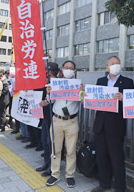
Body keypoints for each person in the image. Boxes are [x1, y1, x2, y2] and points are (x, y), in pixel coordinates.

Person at [90, 56, 134, 192]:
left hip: (116, 126)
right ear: (107, 67)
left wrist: (123, 98)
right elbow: (95, 99)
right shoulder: (101, 81)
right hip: (100, 125)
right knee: (101, 156)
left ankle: (120, 186)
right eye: (112, 64)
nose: (115, 65)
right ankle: (104, 184)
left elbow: (132, 102)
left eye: (118, 63)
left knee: (117, 157)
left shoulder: (127, 82)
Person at [46, 60, 81, 188]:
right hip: (57, 120)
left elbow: (84, 100)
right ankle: (55, 174)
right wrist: (48, 93)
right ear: (62, 69)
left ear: (75, 71)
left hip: (72, 121)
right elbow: (50, 101)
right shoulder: (55, 84)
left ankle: (70, 175)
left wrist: (82, 92)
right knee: (56, 149)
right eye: (66, 67)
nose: (69, 70)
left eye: (71, 68)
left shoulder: (78, 85)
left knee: (71, 150)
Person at [36, 62, 59, 177]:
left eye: (46, 70)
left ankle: (52, 166)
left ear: (50, 71)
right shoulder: (44, 82)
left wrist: (48, 100)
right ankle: (46, 162)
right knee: (44, 140)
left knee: (51, 142)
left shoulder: (58, 83)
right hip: (45, 115)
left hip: (54, 116)